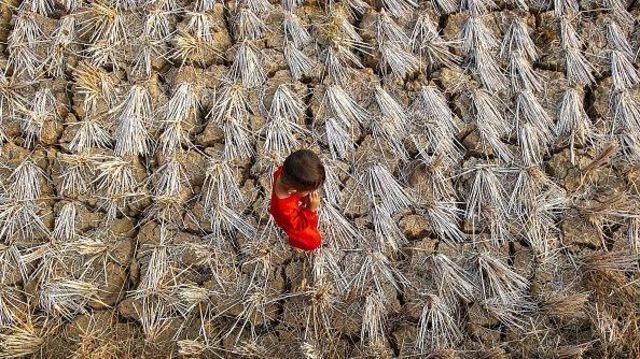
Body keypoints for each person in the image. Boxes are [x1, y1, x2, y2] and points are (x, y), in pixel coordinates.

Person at [269, 149, 325, 251]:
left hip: (291, 214)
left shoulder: (284, 173)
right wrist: (310, 210)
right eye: (309, 191)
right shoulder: (285, 209)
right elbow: (298, 226)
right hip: (291, 224)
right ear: (293, 190)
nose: (312, 192)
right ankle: (292, 241)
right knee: (314, 241)